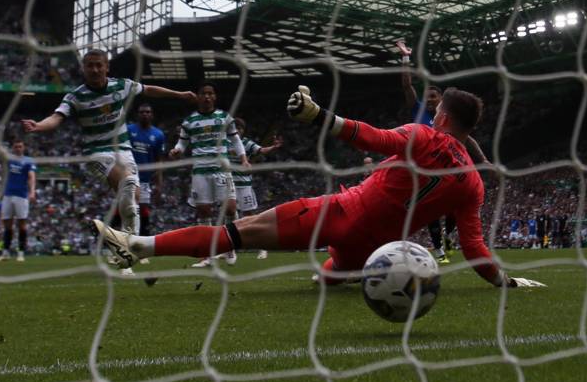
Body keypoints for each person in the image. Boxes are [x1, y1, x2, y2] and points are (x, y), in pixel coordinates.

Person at [90, 85, 545, 289]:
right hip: (371, 252)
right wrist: (504, 280)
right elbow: (473, 246)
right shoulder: (473, 185)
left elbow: (371, 136)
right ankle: (337, 275)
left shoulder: (424, 135)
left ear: (442, 115)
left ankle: (139, 244)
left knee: (240, 231)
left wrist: (318, 116)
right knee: (329, 274)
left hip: (339, 214)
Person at [22, 49, 195, 275]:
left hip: (123, 149)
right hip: (97, 153)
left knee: (132, 201)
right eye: (90, 65)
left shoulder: (121, 86)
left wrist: (179, 94)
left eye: (98, 65)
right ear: (83, 69)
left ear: (106, 67)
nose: (94, 69)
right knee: (127, 185)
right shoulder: (75, 96)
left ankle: (126, 250)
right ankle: (130, 251)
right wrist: (38, 126)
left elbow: (149, 90)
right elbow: (56, 118)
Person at [396, 39, 489, 264]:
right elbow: (407, 86)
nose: (429, 101)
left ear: (441, 101)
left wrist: (484, 160)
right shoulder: (419, 112)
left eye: (433, 98)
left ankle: (448, 237)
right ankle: (439, 250)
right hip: (425, 168)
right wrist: (406, 57)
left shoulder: (448, 118)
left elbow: (469, 140)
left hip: (450, 167)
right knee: (430, 209)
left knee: (453, 207)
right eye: (426, 97)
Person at [170, 81, 250, 267]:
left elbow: (236, 140)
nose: (207, 96)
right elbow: (182, 144)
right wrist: (176, 151)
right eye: (203, 93)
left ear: (214, 97)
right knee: (204, 212)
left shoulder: (224, 117)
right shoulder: (189, 121)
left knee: (229, 208)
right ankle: (207, 255)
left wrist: (244, 159)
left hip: (222, 168)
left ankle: (230, 248)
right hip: (200, 171)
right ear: (198, 97)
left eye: (210, 93)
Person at [229, 118, 282, 260]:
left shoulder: (246, 143)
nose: (237, 131)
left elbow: (261, 150)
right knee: (228, 216)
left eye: (240, 128)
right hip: (229, 186)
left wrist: (273, 147)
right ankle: (229, 249)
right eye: (235, 128)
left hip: (244, 186)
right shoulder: (225, 142)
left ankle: (262, 247)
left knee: (250, 217)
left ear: (243, 130)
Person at [0, 126, 37, 262]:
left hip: (21, 196)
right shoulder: (9, 158)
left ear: (23, 148)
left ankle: (21, 253)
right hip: (7, 195)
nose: (18, 148)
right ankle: (6, 252)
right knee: (7, 225)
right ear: (13, 148)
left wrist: (32, 192)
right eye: (16, 147)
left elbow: (31, 177)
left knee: (22, 225)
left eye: (20, 146)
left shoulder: (28, 161)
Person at [127, 103, 166, 237]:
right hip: (127, 176)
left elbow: (159, 161)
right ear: (137, 114)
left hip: (144, 180)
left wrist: (159, 184)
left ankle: (142, 241)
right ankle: (119, 241)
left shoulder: (158, 135)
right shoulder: (128, 130)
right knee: (126, 209)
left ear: (152, 115)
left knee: (142, 209)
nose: (145, 114)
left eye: (148, 112)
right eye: (142, 112)